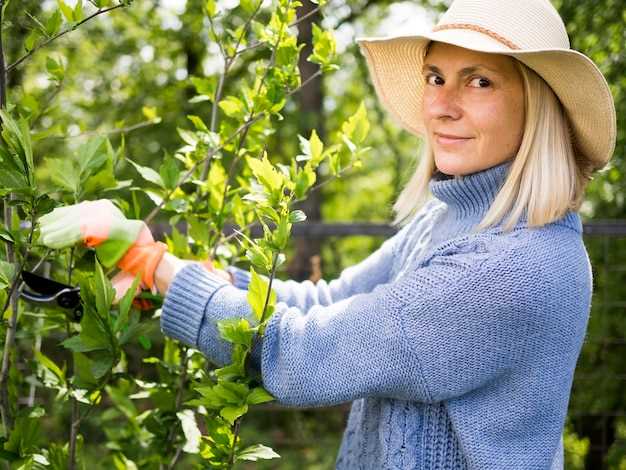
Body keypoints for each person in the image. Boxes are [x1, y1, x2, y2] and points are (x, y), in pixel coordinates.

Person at [38, 0, 617, 467]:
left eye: (479, 82)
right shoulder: (451, 220)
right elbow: (329, 303)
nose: (440, 105)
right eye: (436, 76)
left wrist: (154, 265)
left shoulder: (515, 267)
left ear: (538, 105)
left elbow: (309, 352)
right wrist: (174, 270)